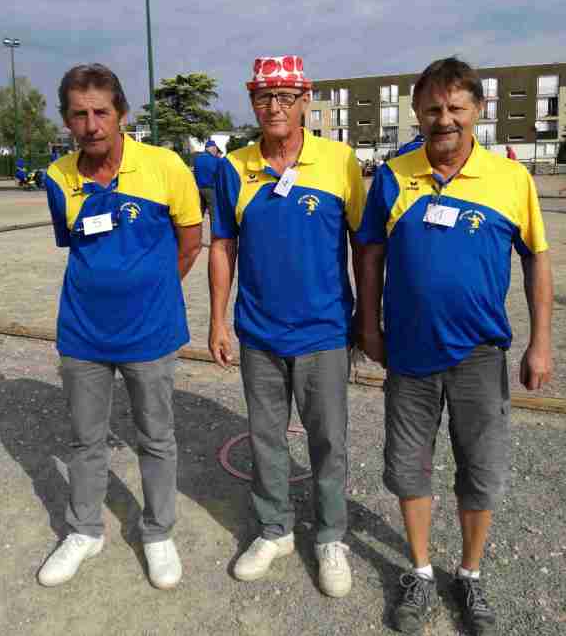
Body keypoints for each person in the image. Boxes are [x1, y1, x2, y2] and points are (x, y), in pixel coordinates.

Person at [356, 57, 553, 635]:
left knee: (480, 470)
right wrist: (369, 326)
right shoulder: (393, 176)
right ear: (417, 113)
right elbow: (369, 255)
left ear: (477, 110)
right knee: (409, 467)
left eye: (455, 108)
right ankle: (419, 571)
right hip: (409, 352)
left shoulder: (511, 179)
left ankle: (469, 573)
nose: (444, 119)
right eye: (432, 109)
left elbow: (537, 259)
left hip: (480, 354)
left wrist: (541, 342)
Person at [39, 64, 202, 589]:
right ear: (66, 120)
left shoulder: (165, 166)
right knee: (85, 440)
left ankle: (158, 533)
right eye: (79, 115)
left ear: (122, 115)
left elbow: (190, 242)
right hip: (83, 333)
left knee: (156, 437)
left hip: (150, 333)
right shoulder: (57, 177)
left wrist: (151, 290)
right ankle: (84, 530)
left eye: (101, 112)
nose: (91, 125)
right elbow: (74, 244)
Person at [209, 55, 367, 598]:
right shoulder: (234, 167)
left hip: (324, 331)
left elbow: (364, 245)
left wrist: (366, 318)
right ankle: (274, 530)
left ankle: (330, 537)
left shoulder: (340, 161)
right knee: (266, 438)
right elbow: (222, 247)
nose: (273, 106)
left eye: (284, 96)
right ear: (252, 102)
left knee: (328, 440)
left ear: (304, 100)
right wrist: (217, 321)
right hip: (259, 332)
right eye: (263, 97)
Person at [193, 139, 221, 225]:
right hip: (210, 189)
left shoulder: (197, 158)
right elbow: (218, 174)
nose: (216, 151)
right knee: (214, 214)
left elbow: (195, 173)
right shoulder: (215, 160)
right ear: (212, 148)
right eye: (215, 148)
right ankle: (214, 232)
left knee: (199, 213)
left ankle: (197, 230)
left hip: (199, 188)